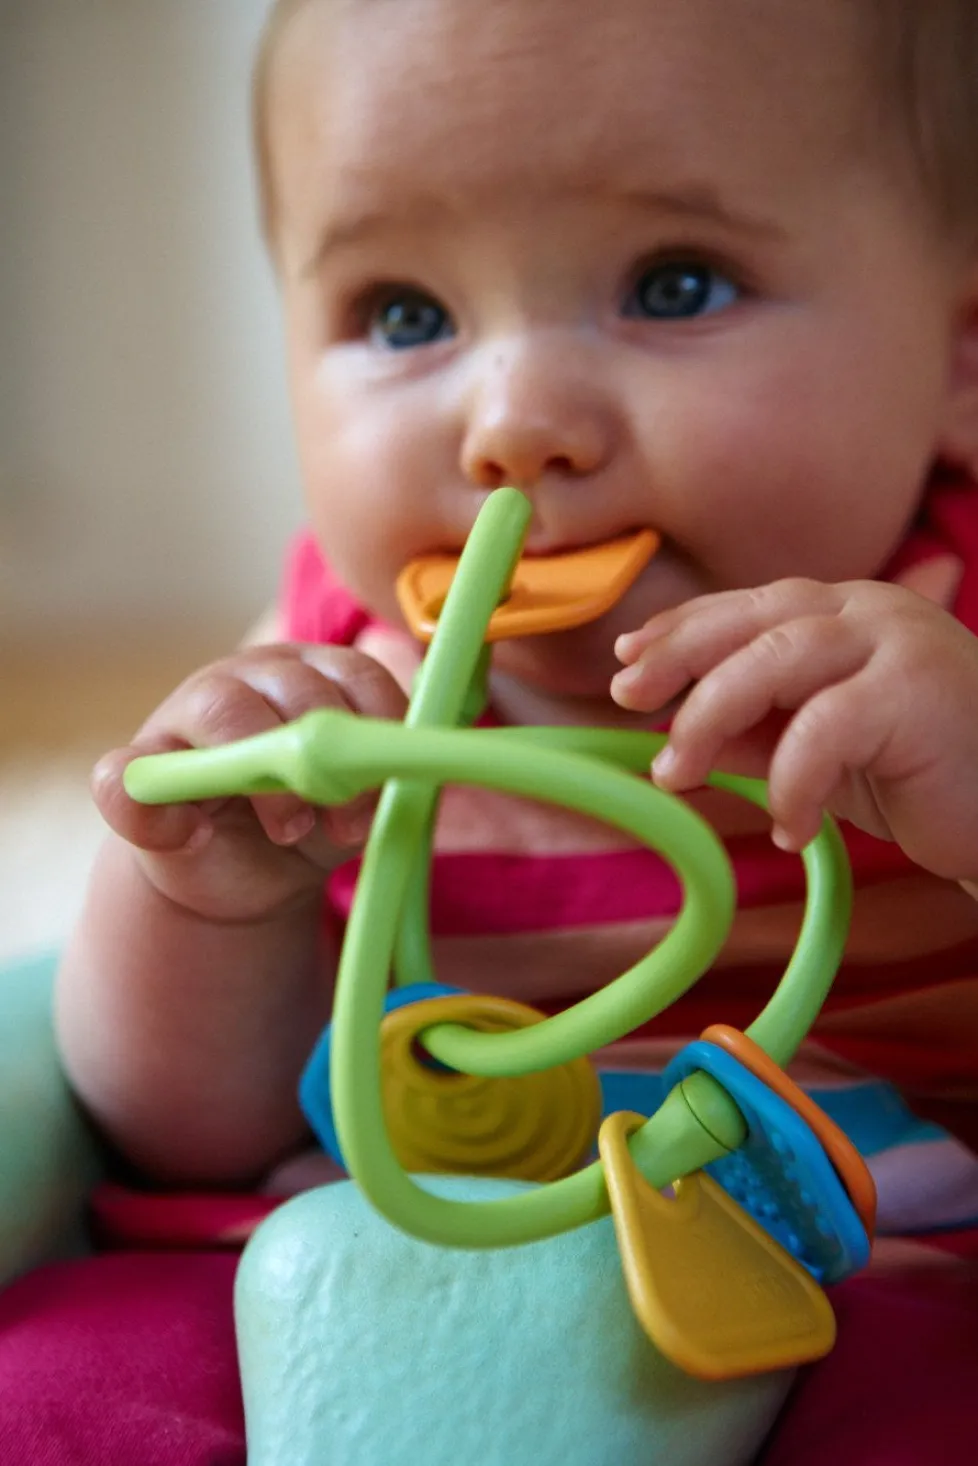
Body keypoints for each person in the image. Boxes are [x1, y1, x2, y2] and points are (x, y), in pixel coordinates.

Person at [6, 0, 978, 1461]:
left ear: (961, 358)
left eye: (675, 281)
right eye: (404, 313)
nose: (512, 422)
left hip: (864, 1256)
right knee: (61, 1381)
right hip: (371, 1258)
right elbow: (171, 1130)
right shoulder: (334, 687)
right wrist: (202, 901)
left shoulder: (943, 647)